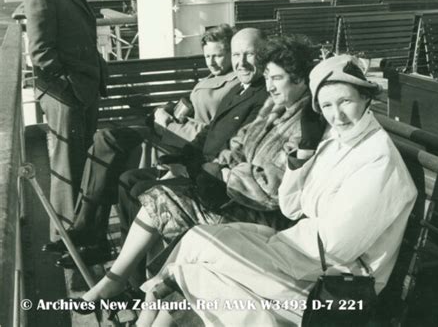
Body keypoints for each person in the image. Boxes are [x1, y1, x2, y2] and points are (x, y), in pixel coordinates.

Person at [136, 54, 418, 327]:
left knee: (198, 267)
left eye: (345, 101)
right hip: (305, 255)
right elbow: (292, 206)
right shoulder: (337, 139)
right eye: (327, 105)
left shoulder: (379, 159)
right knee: (198, 240)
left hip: (338, 286)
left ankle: (144, 316)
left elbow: (335, 248)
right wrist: (300, 159)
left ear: (366, 98)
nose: (337, 115)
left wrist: (271, 251)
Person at [74, 35, 322, 305]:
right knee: (155, 194)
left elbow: (271, 189)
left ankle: (128, 284)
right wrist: (216, 166)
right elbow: (239, 143)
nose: (270, 87)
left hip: (260, 214)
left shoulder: (304, 125)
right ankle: (120, 282)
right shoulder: (276, 107)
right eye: (269, 78)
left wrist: (221, 173)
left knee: (160, 196)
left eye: (277, 79)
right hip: (233, 194)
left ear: (298, 79)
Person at [49, 27, 267, 267]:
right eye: (207, 56)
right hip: (165, 131)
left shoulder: (237, 85)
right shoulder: (214, 81)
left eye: (219, 55)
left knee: (111, 147)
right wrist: (164, 111)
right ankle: (90, 230)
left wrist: (167, 124)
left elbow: (214, 133)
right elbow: (191, 106)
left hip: (176, 139)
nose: (212, 62)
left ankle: (91, 232)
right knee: (105, 140)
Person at [24, 0, 107, 240]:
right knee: (67, 168)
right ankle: (64, 238)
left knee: (78, 162)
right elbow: (41, 53)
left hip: (81, 92)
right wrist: (71, 90)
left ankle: (79, 231)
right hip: (65, 95)